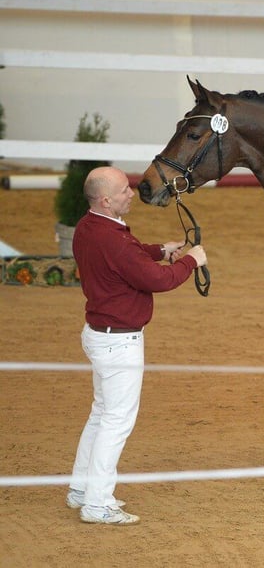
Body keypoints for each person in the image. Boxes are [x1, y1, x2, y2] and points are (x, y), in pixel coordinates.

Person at [66, 166, 207, 525]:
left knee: (101, 414)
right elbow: (157, 280)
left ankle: (82, 488)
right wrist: (192, 260)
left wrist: (161, 249)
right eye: (125, 190)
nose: (132, 193)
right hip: (120, 342)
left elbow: (130, 257)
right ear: (107, 200)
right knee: (116, 421)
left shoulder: (89, 227)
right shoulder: (114, 238)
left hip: (99, 334)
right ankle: (97, 502)